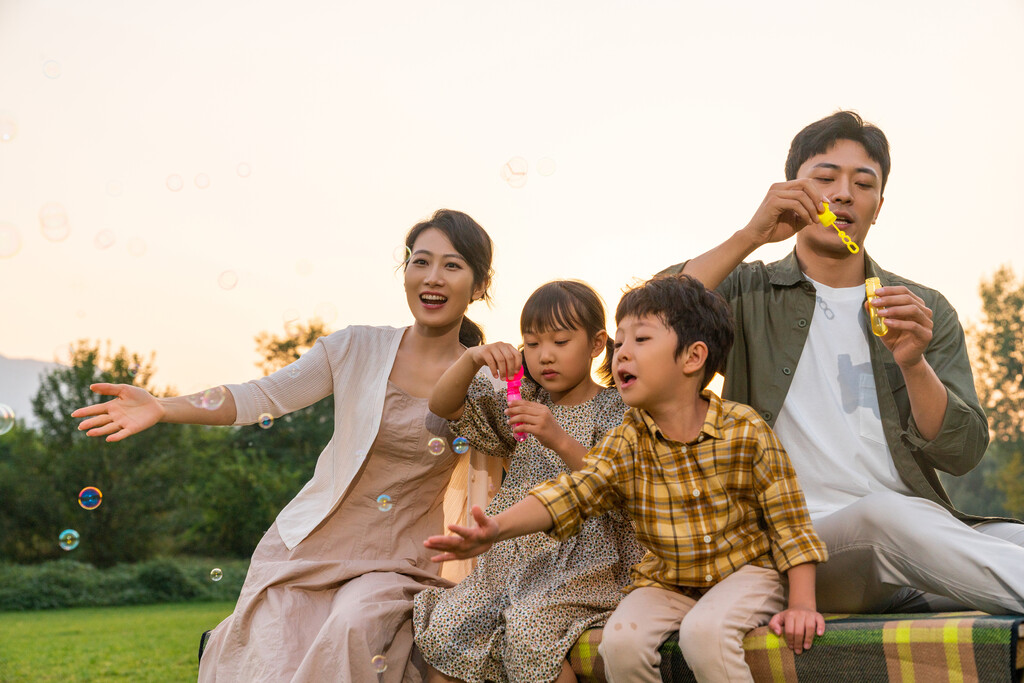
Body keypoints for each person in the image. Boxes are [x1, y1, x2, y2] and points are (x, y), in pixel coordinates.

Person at [72, 209, 497, 682]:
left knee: (352, 628)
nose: (432, 278)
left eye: (452, 266)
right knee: (274, 646)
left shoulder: (487, 382)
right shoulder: (355, 348)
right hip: (312, 544)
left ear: (479, 285)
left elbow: (520, 465)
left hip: (399, 559)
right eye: (421, 262)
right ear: (405, 272)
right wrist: (163, 406)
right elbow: (263, 395)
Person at [663, 110, 1024, 615]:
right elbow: (655, 317)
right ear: (792, 190)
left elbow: (962, 453)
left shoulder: (921, 308)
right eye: (825, 178)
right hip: (798, 549)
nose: (843, 194)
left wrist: (914, 365)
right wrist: (752, 233)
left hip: (912, 536)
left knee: (1012, 537)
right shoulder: (747, 292)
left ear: (879, 207)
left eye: (863, 183)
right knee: (882, 516)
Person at [425, 274, 829, 683]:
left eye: (641, 340)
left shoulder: (742, 428)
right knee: (619, 643)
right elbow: (571, 493)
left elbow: (790, 522)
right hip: (668, 579)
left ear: (692, 358)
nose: (622, 354)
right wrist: (496, 527)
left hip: (739, 572)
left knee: (704, 635)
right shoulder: (627, 437)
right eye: (622, 341)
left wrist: (802, 601)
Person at [413, 280, 645, 683]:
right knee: (449, 625)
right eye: (532, 344)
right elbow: (441, 404)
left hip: (578, 559)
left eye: (560, 341)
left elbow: (617, 485)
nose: (545, 356)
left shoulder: (616, 408)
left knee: (528, 631)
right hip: (507, 559)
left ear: (596, 344)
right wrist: (471, 360)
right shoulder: (525, 403)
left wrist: (559, 438)